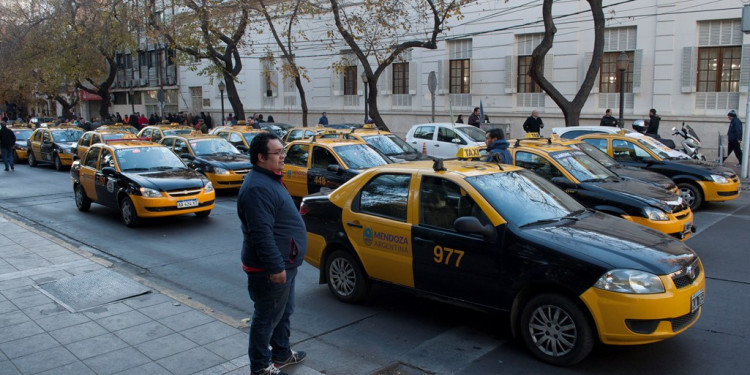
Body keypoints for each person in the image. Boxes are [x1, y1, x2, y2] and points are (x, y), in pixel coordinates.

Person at [238, 132, 307, 375]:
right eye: (277, 153)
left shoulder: (268, 179)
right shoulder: (257, 187)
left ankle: (282, 353)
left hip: (285, 263)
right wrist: (276, 266)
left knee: (284, 312)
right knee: (266, 318)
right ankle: (260, 367)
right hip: (271, 268)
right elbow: (261, 234)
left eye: (282, 151)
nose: (283, 157)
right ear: (260, 157)